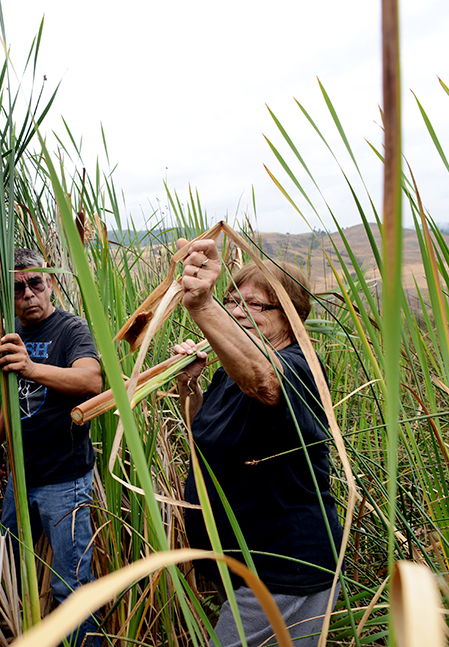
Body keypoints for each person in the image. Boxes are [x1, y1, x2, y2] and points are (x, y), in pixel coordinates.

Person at [172, 239, 341, 647]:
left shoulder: (301, 368)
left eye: (254, 305)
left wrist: (203, 306)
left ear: (291, 316)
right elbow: (205, 434)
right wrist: (189, 384)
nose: (236, 312)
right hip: (240, 563)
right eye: (231, 301)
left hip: (284, 569)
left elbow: (265, 382)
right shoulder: (230, 374)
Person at [0, 247, 103, 646]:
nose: (28, 294)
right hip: (21, 477)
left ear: (50, 282)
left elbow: (91, 381)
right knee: (10, 567)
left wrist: (32, 367)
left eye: (35, 282)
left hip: (64, 479)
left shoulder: (70, 330)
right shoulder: (11, 332)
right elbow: (11, 397)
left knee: (71, 586)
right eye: (17, 288)